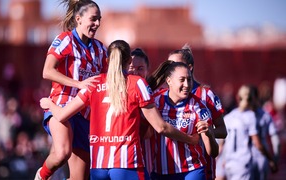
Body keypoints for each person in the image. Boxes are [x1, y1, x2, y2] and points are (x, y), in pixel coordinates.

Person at [39, 40, 203, 180]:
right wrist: (191, 139)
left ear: (108, 59)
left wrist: (49, 104)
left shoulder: (94, 83)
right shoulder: (137, 83)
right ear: (128, 62)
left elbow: (61, 115)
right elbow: (161, 127)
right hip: (126, 164)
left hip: (99, 166)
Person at [34, 0, 108, 179]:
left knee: (79, 177)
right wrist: (78, 84)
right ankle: (41, 176)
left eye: (99, 19)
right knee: (62, 153)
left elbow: (109, 78)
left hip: (85, 114)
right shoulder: (65, 39)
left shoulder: (100, 49)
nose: (97, 23)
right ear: (78, 19)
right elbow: (47, 71)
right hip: (61, 105)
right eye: (93, 19)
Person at [147, 61, 218, 180]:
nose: (187, 84)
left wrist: (210, 134)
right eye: (182, 80)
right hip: (161, 172)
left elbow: (213, 152)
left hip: (192, 171)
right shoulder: (155, 102)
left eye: (189, 79)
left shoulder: (199, 107)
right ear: (169, 81)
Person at [167, 45, 227, 180]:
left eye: (176, 64)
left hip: (200, 167)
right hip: (170, 167)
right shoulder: (162, 97)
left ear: (189, 68)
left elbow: (223, 130)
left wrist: (203, 132)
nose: (171, 68)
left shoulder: (206, 95)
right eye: (169, 65)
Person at [219, 85, 277, 180]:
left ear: (238, 97)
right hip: (243, 163)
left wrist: (218, 161)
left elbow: (221, 146)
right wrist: (271, 159)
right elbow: (258, 143)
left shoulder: (228, 117)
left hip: (229, 163)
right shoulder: (251, 116)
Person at [250, 85, 280, 180]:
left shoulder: (234, 116)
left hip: (241, 160)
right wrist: (274, 159)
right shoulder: (266, 115)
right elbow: (276, 141)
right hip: (261, 157)